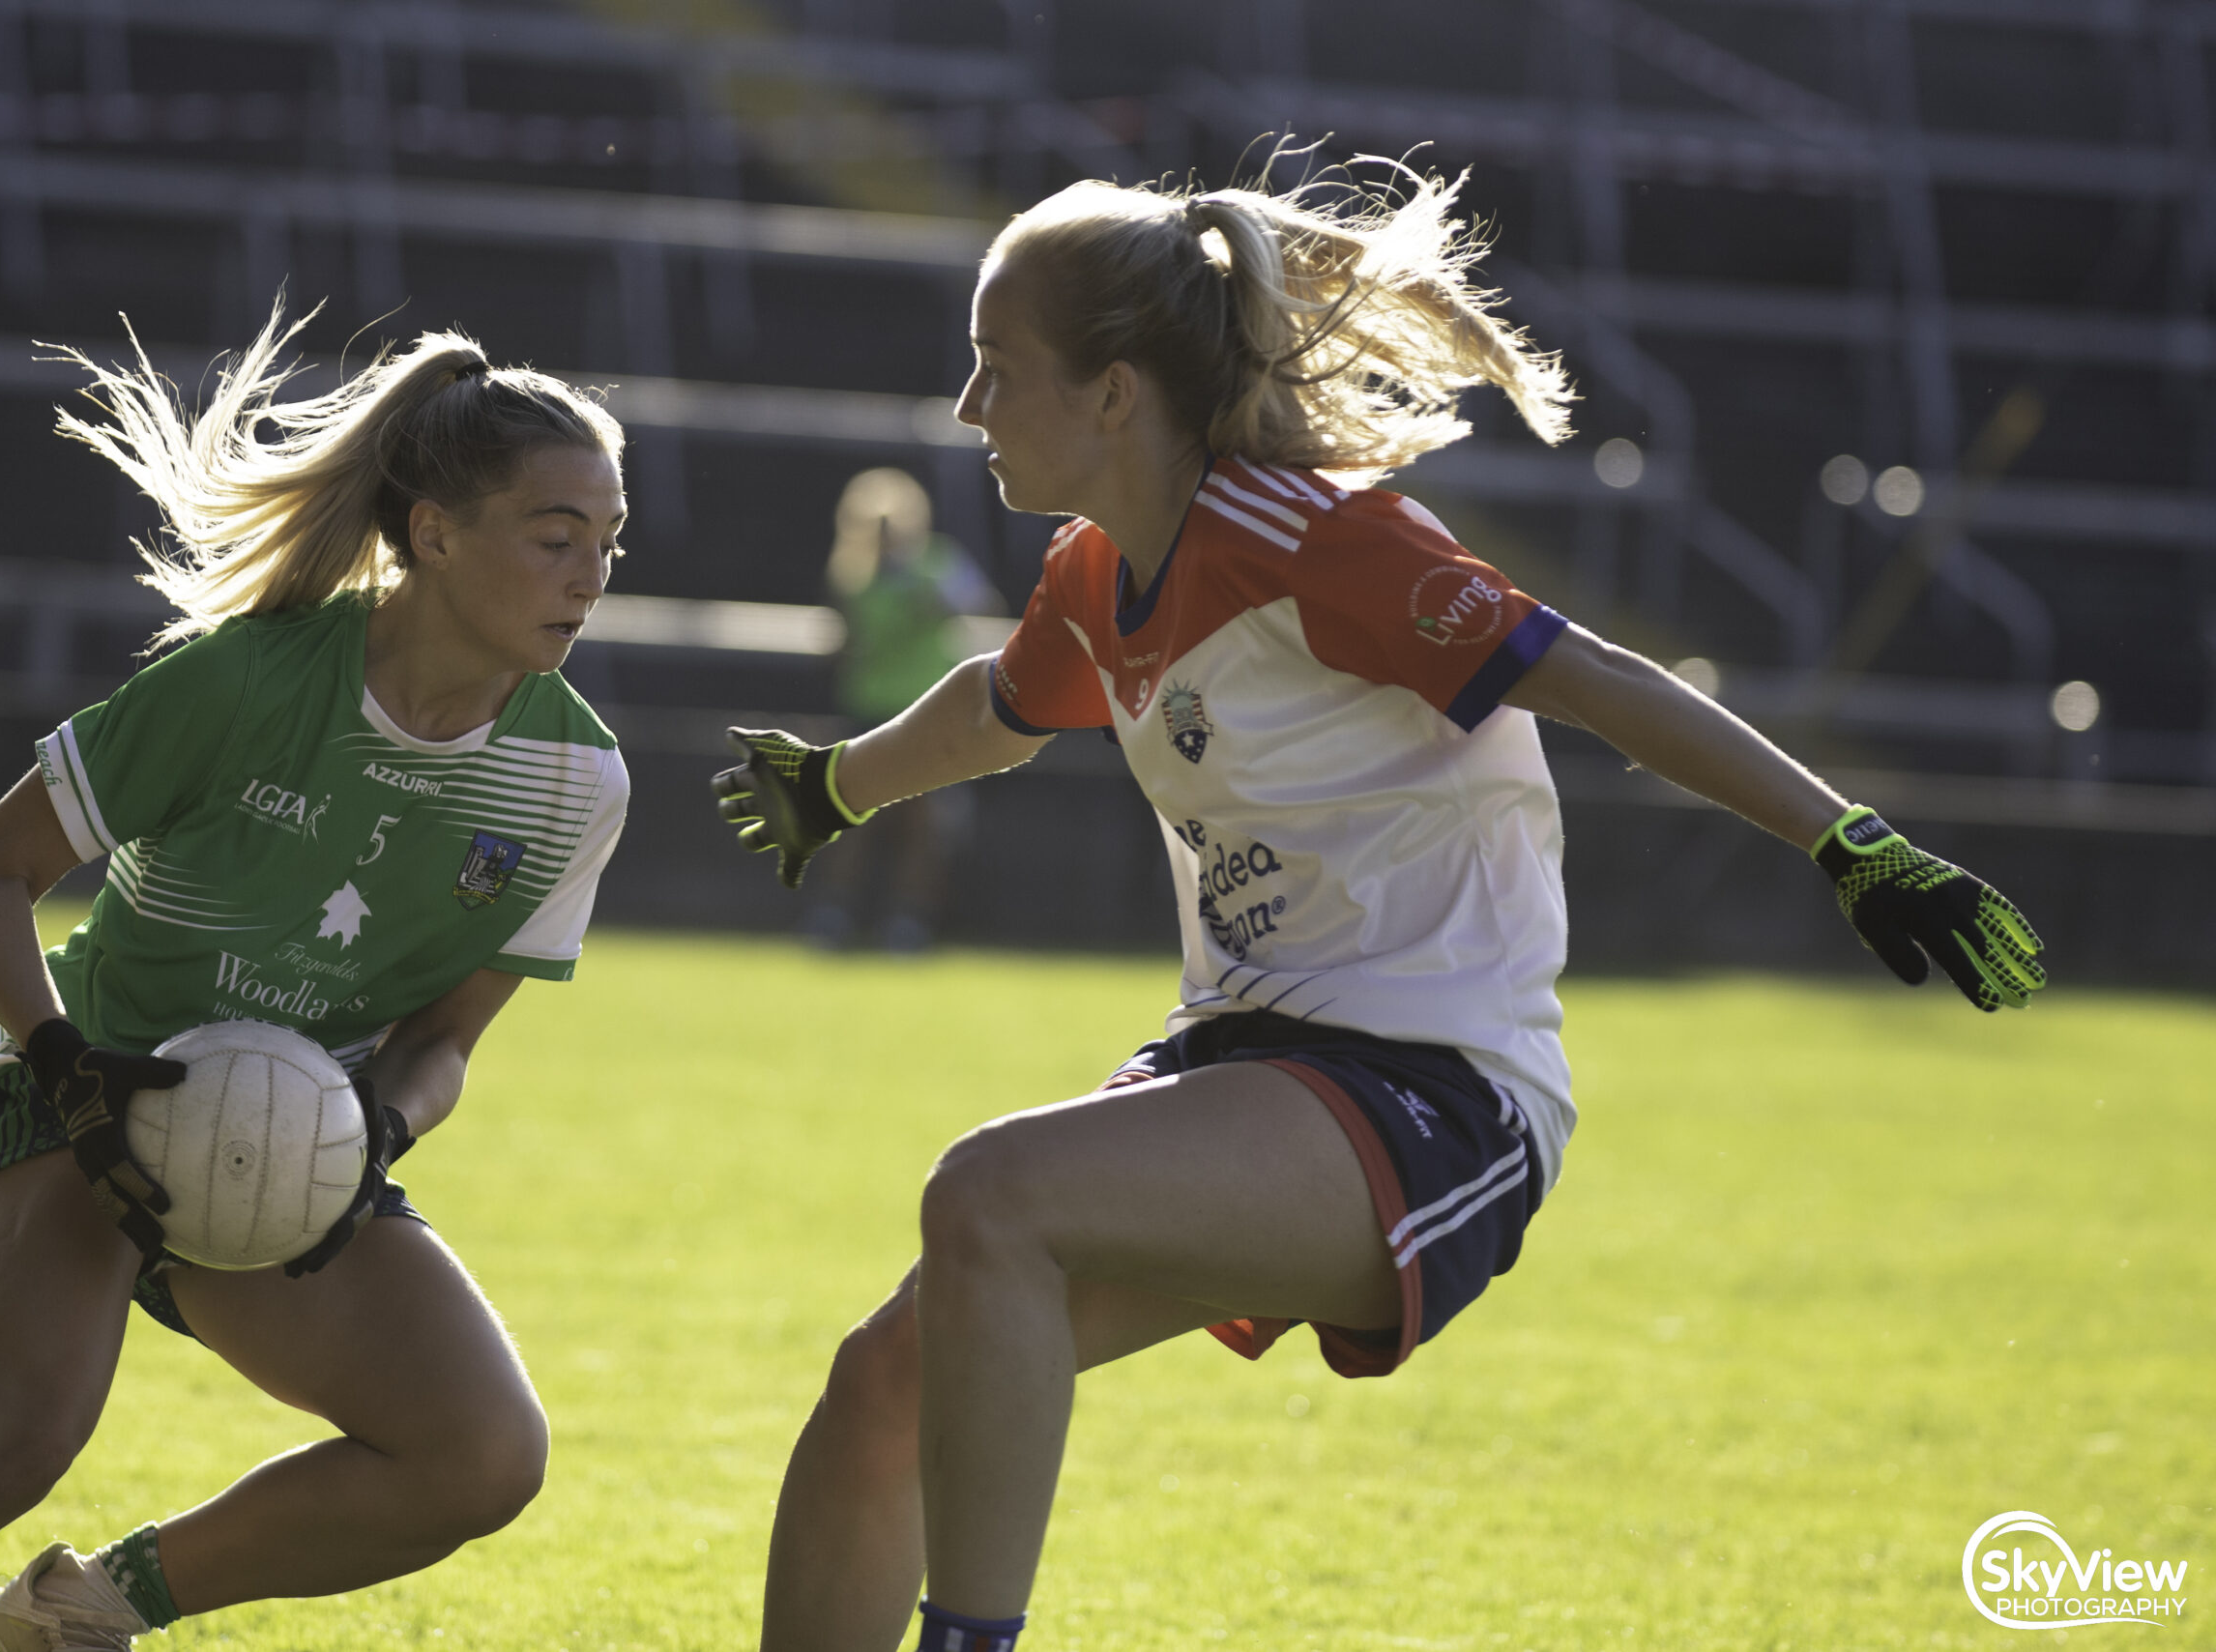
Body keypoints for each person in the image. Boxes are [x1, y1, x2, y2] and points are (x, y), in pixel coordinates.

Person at [712, 164, 2045, 1652]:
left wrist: (1850, 841)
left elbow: (1596, 676)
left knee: (987, 1194)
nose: (966, 407)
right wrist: (841, 785)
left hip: (1437, 1090)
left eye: (996, 369)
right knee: (880, 1389)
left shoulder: (1312, 538)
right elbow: (1003, 709)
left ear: (1113, 393)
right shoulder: (1096, 572)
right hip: (1242, 1062)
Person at [0, 307, 632, 1651]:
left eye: (609, 543)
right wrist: (55, 1060)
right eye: (556, 536)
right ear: (436, 531)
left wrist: (383, 1123)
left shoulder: (580, 780)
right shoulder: (250, 681)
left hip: (294, 1138)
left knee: (482, 1454)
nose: (590, 575)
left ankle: (85, 1607)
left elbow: (446, 1038)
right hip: (87, 1082)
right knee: (13, 1437)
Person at [806, 466, 1003, 951]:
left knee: (925, 823)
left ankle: (909, 921)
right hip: (868, 711)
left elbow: (983, 604)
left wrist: (933, 604)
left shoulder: (939, 563)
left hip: (929, 712)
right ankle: (834, 915)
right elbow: (843, 641)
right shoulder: (852, 574)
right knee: (851, 820)